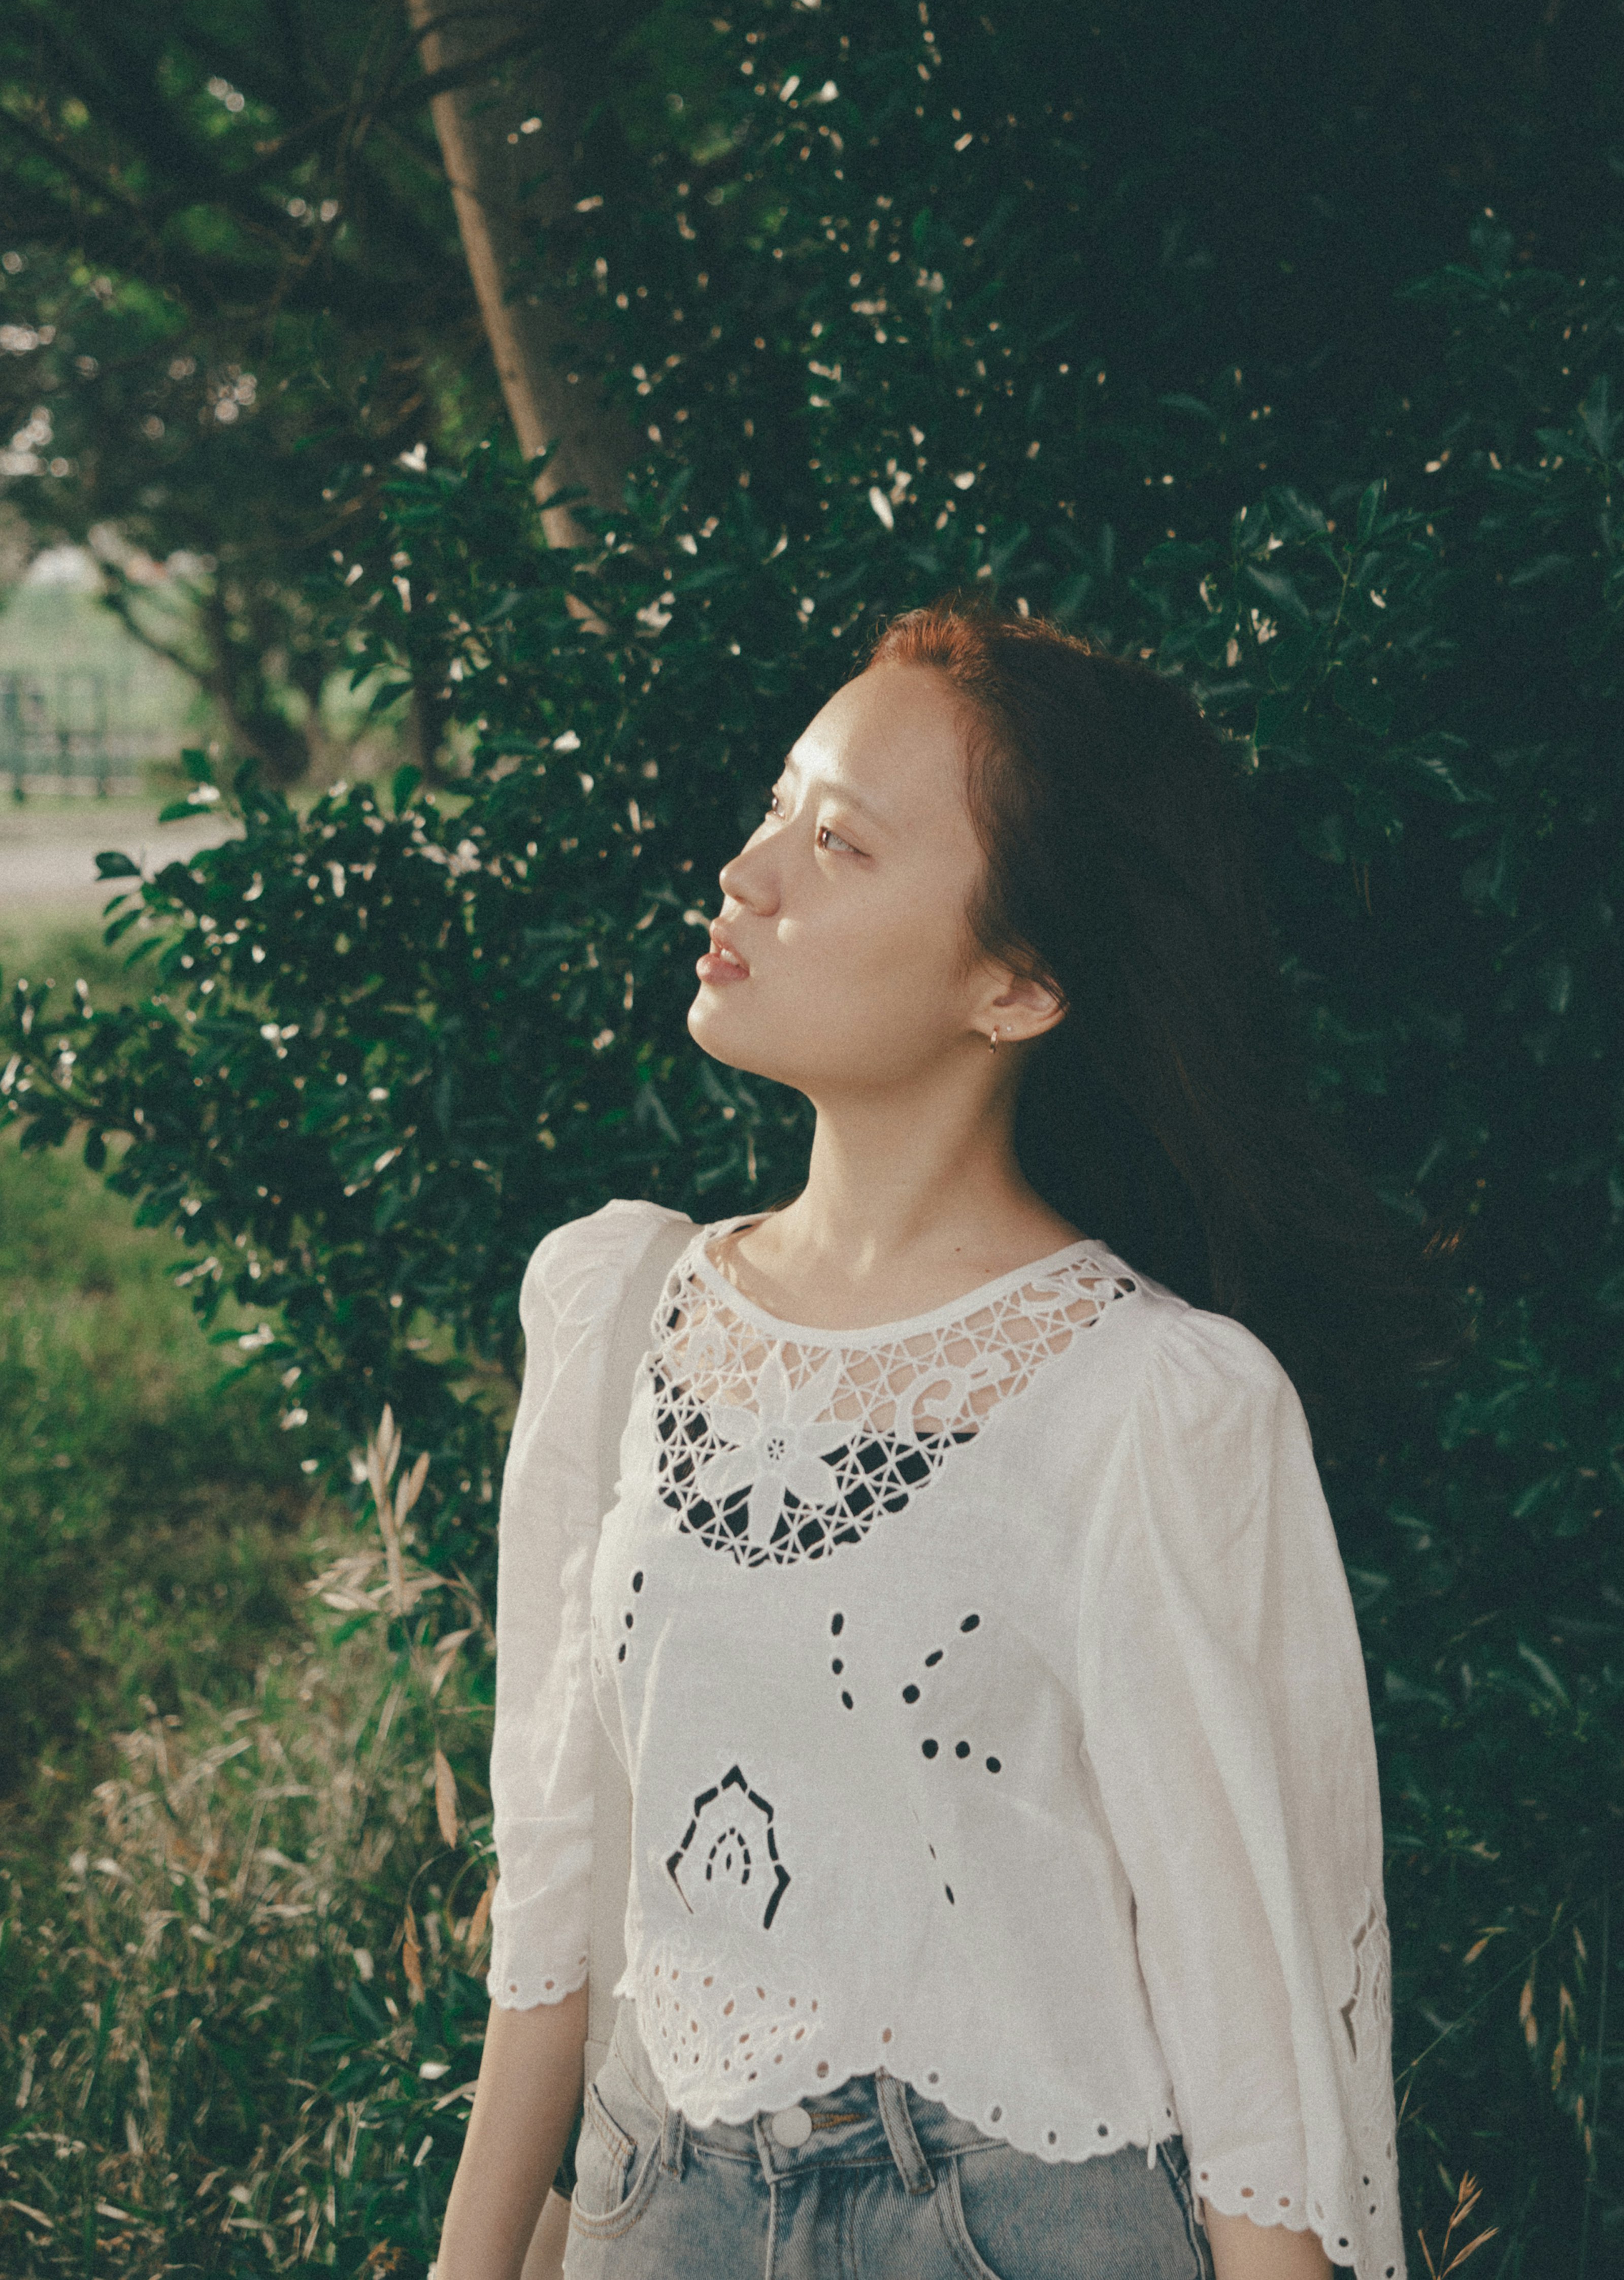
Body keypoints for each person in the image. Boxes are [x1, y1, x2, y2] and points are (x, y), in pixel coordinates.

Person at [434, 597, 1448, 2280]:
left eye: (837, 843)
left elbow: (1249, 2011)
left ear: (1019, 983)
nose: (747, 874)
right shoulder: (618, 1312)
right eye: (775, 808)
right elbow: (556, 1905)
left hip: (1014, 2226)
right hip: (651, 2203)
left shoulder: (1151, 1403)